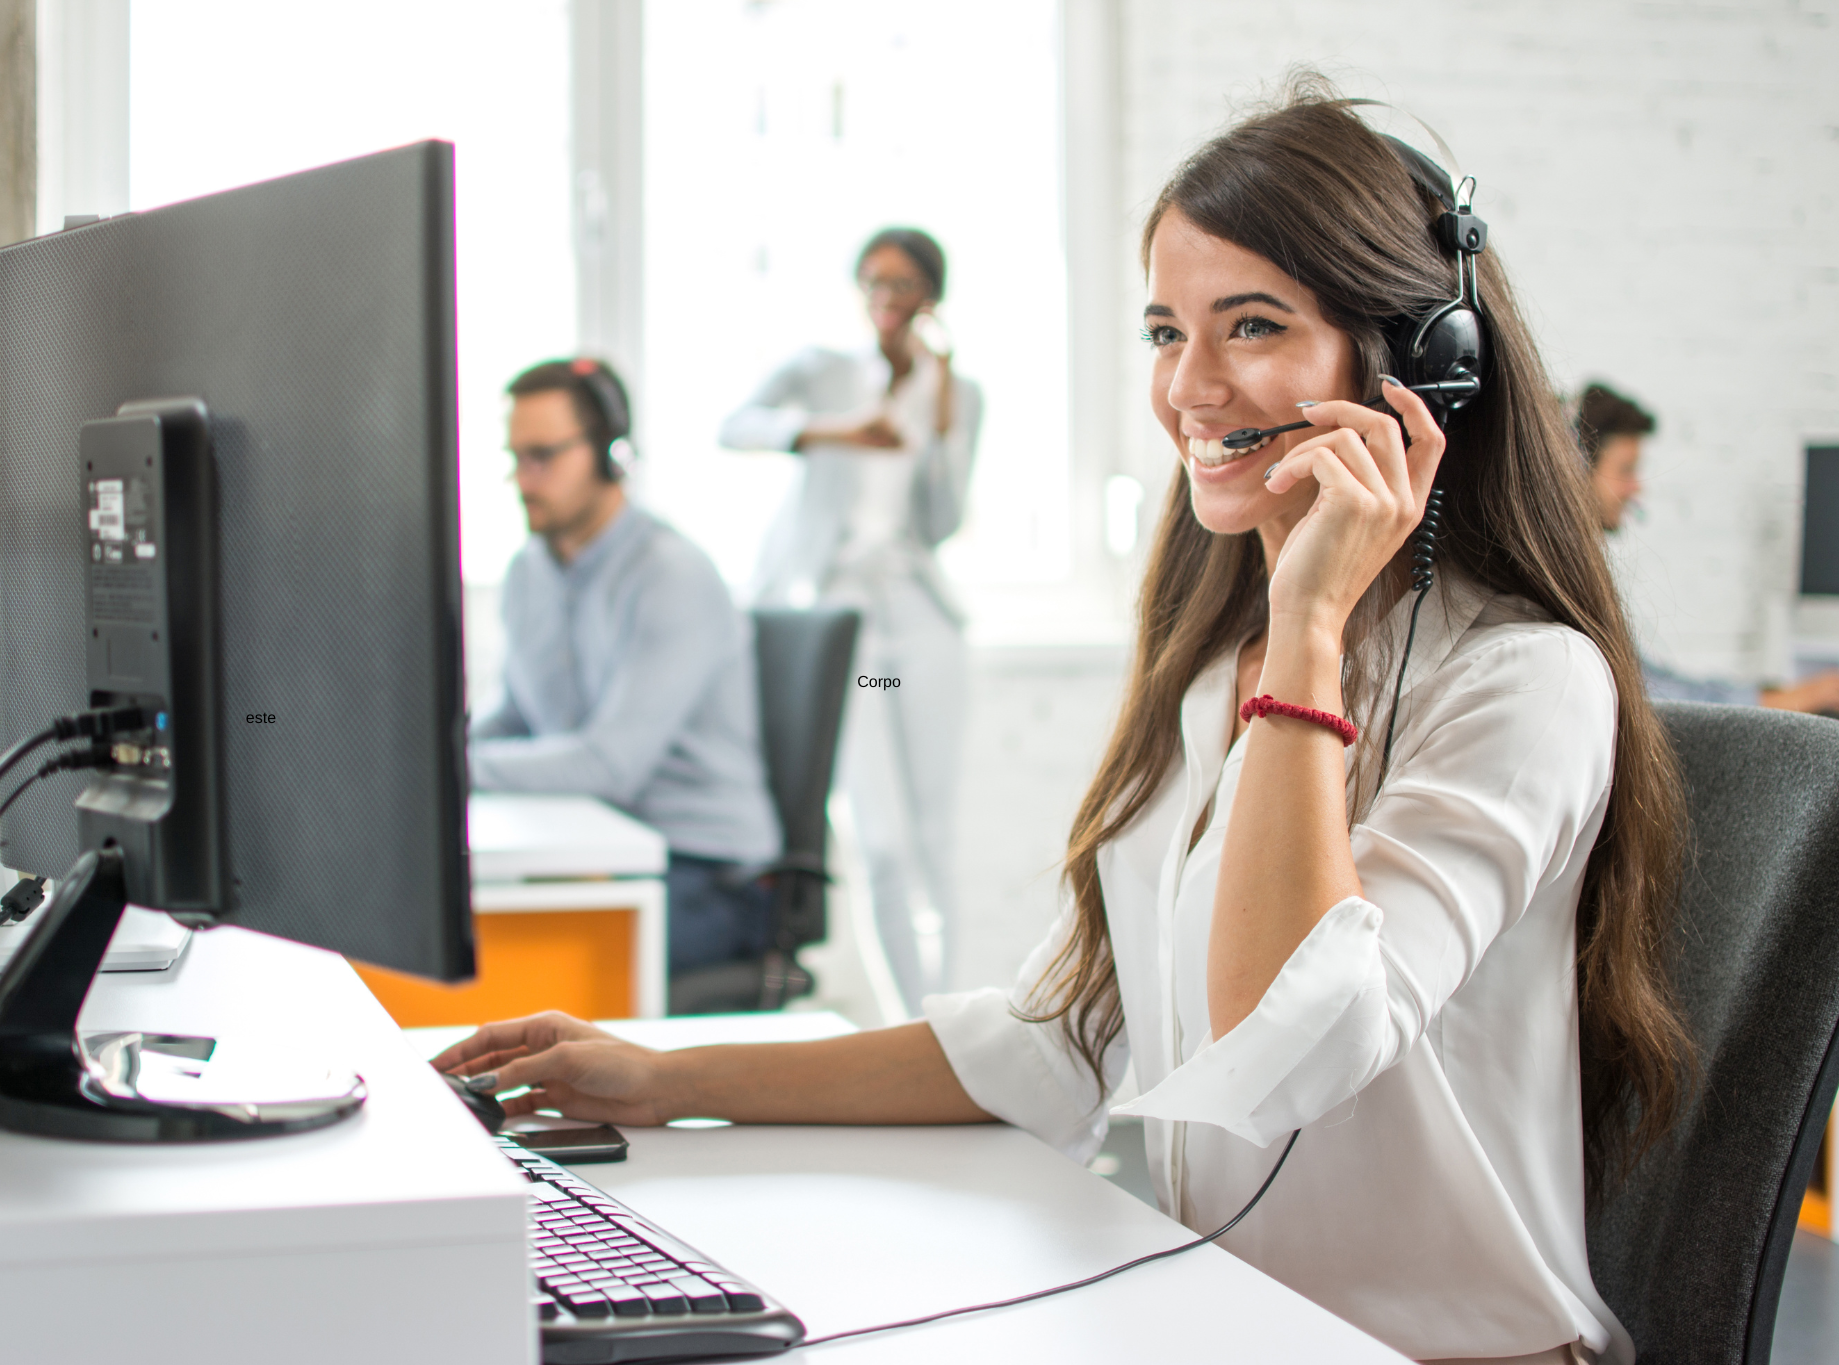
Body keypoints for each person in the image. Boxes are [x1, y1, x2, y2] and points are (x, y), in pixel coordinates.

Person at [439, 87, 1690, 1364]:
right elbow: (1062, 1035)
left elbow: (1291, 1052)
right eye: (1165, 330)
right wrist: (662, 1081)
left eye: (1250, 325)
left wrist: (1311, 619)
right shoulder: (1215, 675)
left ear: (1423, 364)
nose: (1188, 389)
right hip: (1235, 1326)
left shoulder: (1524, 685)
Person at [718, 228, 983, 1010]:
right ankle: (911, 1021)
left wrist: (941, 423)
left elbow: (941, 521)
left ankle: (951, 1014)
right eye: (872, 282)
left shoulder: (956, 392)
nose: (885, 299)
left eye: (901, 284)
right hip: (848, 626)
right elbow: (734, 425)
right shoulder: (823, 372)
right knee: (883, 839)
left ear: (930, 297)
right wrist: (834, 432)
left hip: (919, 623)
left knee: (935, 835)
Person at [468, 358, 782, 979]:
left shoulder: (669, 574)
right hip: (600, 849)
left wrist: (451, 772)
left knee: (507, 964)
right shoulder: (529, 571)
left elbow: (610, 766)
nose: (524, 480)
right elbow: (520, 716)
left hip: (708, 875)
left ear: (612, 455)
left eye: (543, 456)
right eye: (515, 458)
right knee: (466, 930)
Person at [1578, 380, 1839, 712]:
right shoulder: (1569, 579)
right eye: (1626, 470)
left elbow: (1652, 681)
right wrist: (1784, 701)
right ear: (1575, 469)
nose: (1636, 488)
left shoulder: (1584, 569)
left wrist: (1767, 696)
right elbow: (1652, 699)